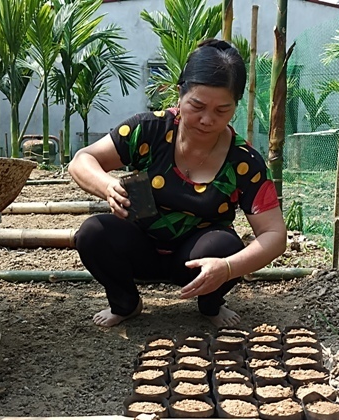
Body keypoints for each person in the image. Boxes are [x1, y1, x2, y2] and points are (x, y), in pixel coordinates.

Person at [68, 39, 287, 328]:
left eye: (222, 110)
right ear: (179, 93)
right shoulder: (147, 130)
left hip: (198, 258)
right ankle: (126, 303)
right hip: (140, 248)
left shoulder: (244, 161)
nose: (207, 119)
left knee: (226, 245)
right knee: (93, 232)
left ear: (235, 106)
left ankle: (211, 304)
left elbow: (274, 234)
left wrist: (229, 268)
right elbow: (81, 161)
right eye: (197, 105)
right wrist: (107, 185)